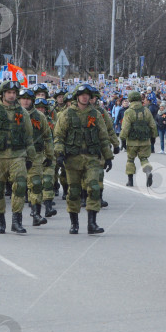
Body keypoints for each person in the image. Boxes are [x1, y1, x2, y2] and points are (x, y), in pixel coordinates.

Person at [0, 80, 37, 234]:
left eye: (14, 93)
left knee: (20, 187)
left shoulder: (22, 113)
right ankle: (0, 221)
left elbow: (29, 137)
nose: (12, 95)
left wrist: (30, 157)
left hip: (17, 156)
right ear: (3, 94)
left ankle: (17, 221)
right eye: (9, 93)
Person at [53, 84, 113, 235]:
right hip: (73, 158)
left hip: (92, 158)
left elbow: (103, 137)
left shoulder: (96, 114)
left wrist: (108, 156)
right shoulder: (67, 114)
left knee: (93, 188)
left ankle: (92, 223)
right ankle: (74, 223)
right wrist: (59, 154)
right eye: (82, 95)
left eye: (87, 95)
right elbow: (59, 136)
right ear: (77, 97)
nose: (85, 97)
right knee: (73, 192)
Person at [19, 88, 51, 226]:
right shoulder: (11, 114)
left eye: (28, 98)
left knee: (36, 184)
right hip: (16, 155)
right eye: (23, 98)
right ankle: (16, 218)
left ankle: (36, 214)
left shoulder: (39, 116)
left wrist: (50, 155)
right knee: (19, 186)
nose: (25, 101)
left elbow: (47, 137)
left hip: (36, 155)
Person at [119, 90, 157, 187]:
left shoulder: (128, 112)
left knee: (130, 160)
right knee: (144, 158)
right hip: (145, 141)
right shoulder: (146, 111)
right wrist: (153, 137)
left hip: (132, 142)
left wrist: (122, 139)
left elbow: (125, 128)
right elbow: (153, 125)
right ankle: (148, 172)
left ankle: (130, 181)